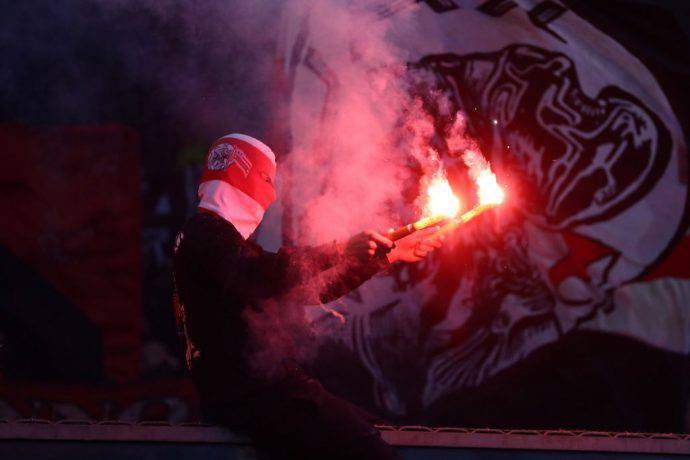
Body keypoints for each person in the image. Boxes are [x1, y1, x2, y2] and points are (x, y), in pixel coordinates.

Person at [172, 133, 443, 459]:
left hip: (266, 394)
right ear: (244, 174)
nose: (271, 196)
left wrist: (390, 255)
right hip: (260, 396)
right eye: (268, 181)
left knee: (371, 434)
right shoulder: (206, 234)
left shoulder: (229, 247)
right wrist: (341, 248)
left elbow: (310, 290)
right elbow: (261, 276)